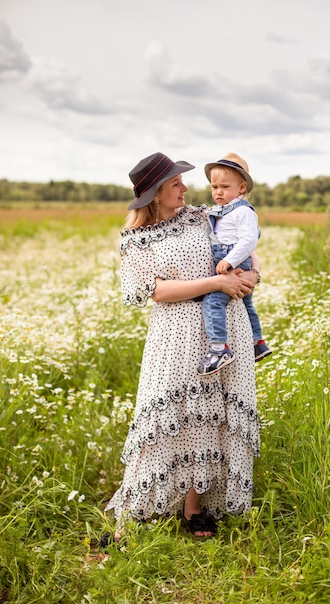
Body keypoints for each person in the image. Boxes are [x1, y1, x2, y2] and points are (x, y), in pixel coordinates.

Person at [104, 152, 260, 539]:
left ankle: (194, 508)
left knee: (210, 414)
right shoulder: (136, 239)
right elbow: (154, 291)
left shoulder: (203, 216)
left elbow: (245, 245)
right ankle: (145, 497)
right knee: (168, 413)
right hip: (175, 332)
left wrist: (251, 276)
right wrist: (215, 284)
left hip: (225, 325)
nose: (185, 187)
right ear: (156, 193)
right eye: (176, 183)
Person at [197, 153, 271, 376]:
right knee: (247, 302)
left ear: (241, 188)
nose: (218, 192)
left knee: (213, 300)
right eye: (214, 186)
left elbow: (249, 240)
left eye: (224, 187)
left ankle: (219, 348)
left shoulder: (242, 211)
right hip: (232, 258)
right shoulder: (222, 210)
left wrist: (230, 260)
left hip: (232, 258)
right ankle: (257, 343)